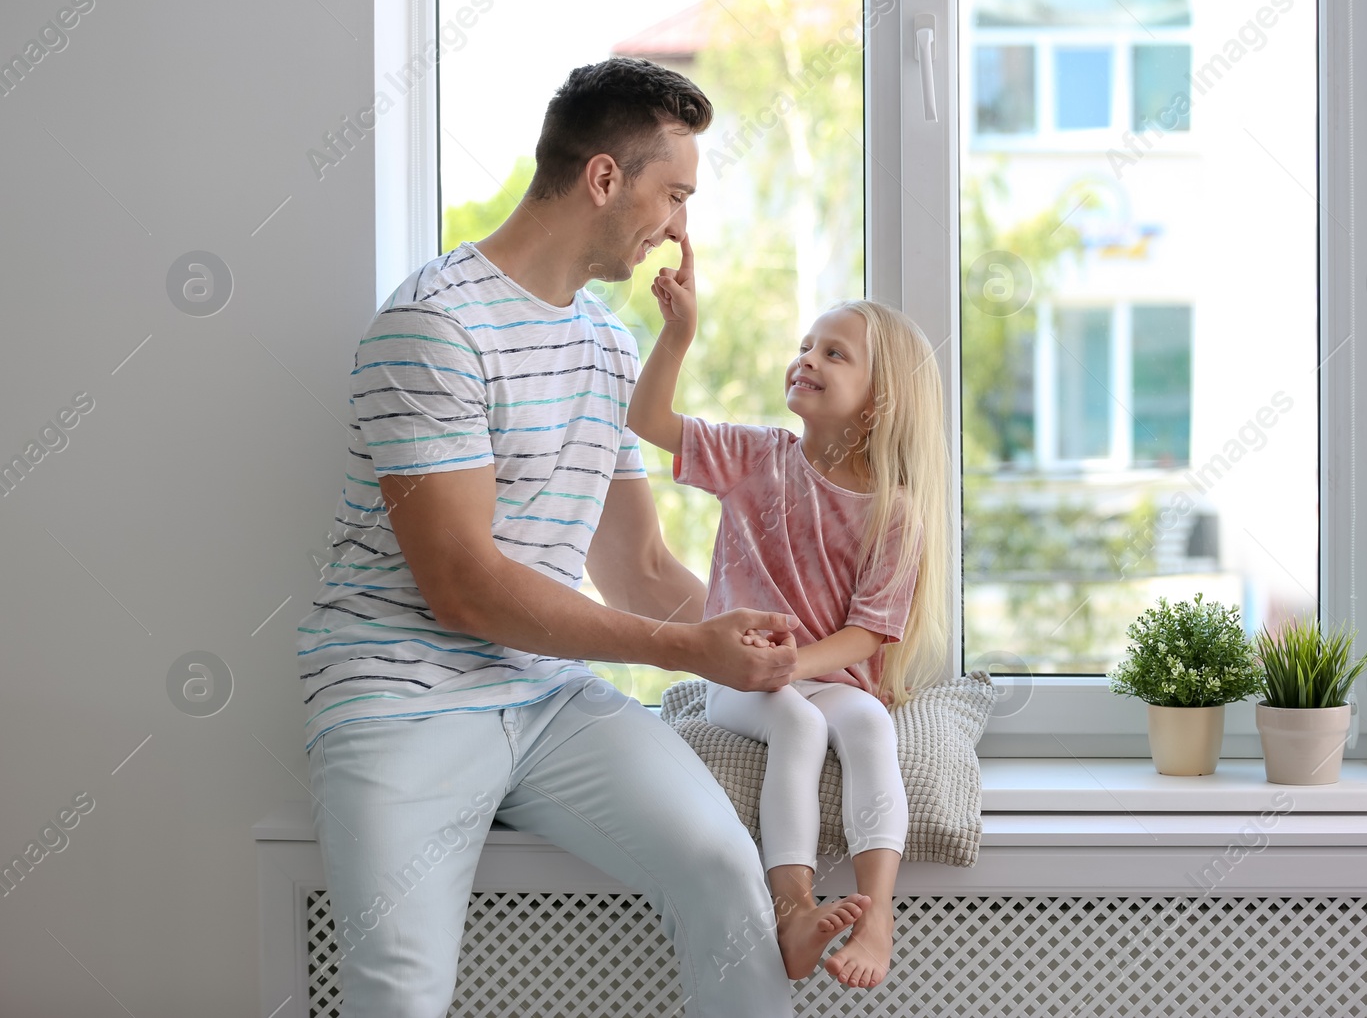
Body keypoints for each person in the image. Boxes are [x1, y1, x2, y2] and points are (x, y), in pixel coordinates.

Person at [295, 57, 826, 1018]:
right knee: (398, 993)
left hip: (546, 698)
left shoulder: (608, 345)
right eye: (674, 194)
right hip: (399, 697)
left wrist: (769, 649)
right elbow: (464, 586)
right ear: (604, 180)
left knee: (722, 868)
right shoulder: (432, 327)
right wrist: (681, 650)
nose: (679, 226)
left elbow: (637, 567)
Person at [626, 244, 952, 990]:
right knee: (800, 723)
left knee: (869, 722)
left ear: (879, 401)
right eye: (806, 345)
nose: (807, 358)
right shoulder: (754, 458)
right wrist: (677, 334)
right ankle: (795, 909)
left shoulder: (894, 513)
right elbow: (647, 418)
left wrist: (795, 664)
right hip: (739, 680)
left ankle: (878, 915)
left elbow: (867, 636)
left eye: (833, 353)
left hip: (813, 673)